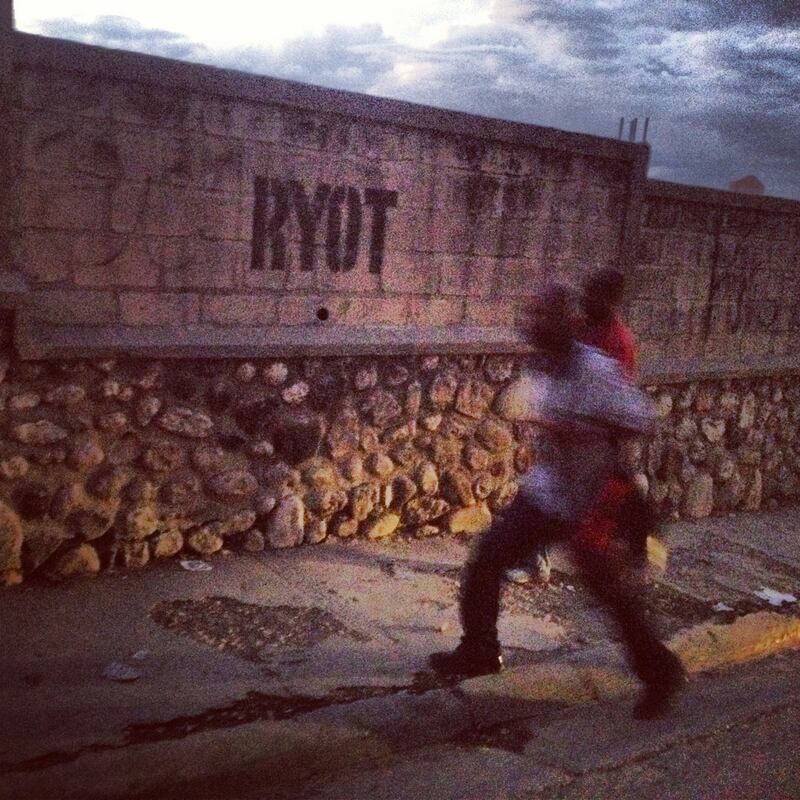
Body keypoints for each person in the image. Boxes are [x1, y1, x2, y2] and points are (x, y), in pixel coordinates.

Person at [429, 284, 685, 719]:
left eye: (544, 317)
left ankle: (661, 673)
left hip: (592, 500)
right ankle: (480, 652)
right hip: (548, 492)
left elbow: (642, 416)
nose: (534, 325)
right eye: (533, 317)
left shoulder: (597, 369)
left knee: (612, 598)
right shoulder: (544, 365)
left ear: (569, 323)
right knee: (488, 559)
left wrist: (587, 428)